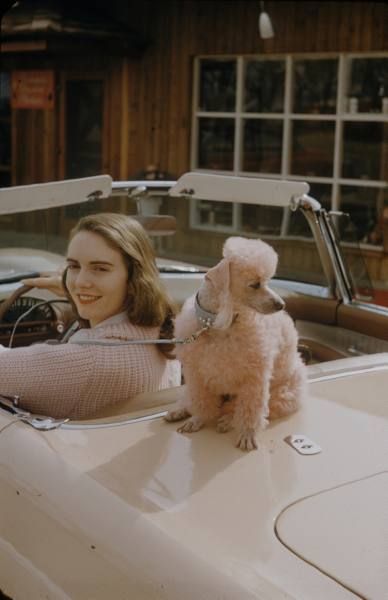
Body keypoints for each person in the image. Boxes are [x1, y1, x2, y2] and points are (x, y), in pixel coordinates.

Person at [0, 213, 181, 419]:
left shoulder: (85, 361)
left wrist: (82, 293)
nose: (80, 281)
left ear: (134, 280)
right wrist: (79, 293)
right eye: (74, 266)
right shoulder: (166, 335)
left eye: (100, 269)